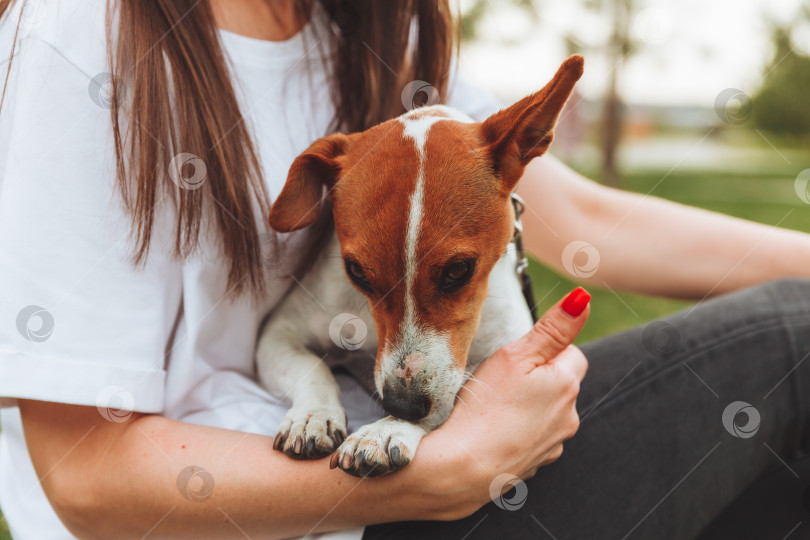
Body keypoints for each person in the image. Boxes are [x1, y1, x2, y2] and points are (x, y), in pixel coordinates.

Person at [0, 1, 808, 538]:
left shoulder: (378, 23)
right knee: (796, 342)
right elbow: (86, 478)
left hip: (448, 474)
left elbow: (582, 220)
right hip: (312, 511)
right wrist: (429, 476)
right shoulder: (82, 40)